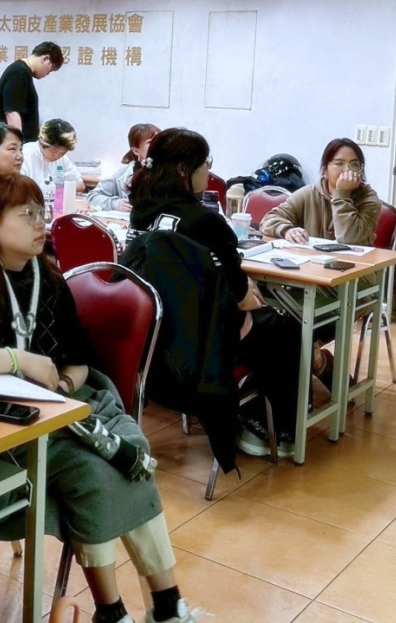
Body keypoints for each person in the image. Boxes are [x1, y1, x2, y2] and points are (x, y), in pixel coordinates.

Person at [0, 174, 199, 623]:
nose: (40, 223)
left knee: (127, 454)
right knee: (97, 471)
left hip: (60, 408)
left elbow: (78, 358)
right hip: (4, 424)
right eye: (26, 214)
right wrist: (18, 360)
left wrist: (63, 387)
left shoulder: (46, 278)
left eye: (40, 212)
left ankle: (162, 605)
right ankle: (128, 609)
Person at [127, 128, 303, 456]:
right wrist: (248, 292)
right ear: (184, 169)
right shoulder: (205, 223)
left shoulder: (141, 212)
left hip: (152, 349)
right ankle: (272, 426)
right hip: (202, 351)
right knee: (284, 328)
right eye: (205, 163)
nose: (209, 170)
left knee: (265, 325)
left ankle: (255, 417)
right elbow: (242, 298)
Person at [259, 137, 382, 245]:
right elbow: (268, 220)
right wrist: (287, 230)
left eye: (354, 164)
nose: (347, 170)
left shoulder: (369, 200)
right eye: (339, 164)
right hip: (311, 262)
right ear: (325, 170)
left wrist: (342, 193)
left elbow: (348, 238)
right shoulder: (309, 193)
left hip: (355, 263)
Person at [0, 41, 64, 143]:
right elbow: (12, 112)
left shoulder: (22, 72)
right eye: (50, 70)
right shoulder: (20, 72)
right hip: (4, 144)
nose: (47, 74)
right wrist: (18, 146)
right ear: (46, 59)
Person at [87, 123, 159, 212]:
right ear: (136, 151)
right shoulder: (123, 174)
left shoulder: (171, 171)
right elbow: (92, 196)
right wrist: (115, 204)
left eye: (160, 140)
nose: (158, 145)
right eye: (151, 142)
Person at [19, 118, 86, 203]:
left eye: (62, 153)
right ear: (43, 143)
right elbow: (19, 190)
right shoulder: (26, 155)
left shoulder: (63, 159)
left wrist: (56, 192)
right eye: (53, 151)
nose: (57, 156)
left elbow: (80, 185)